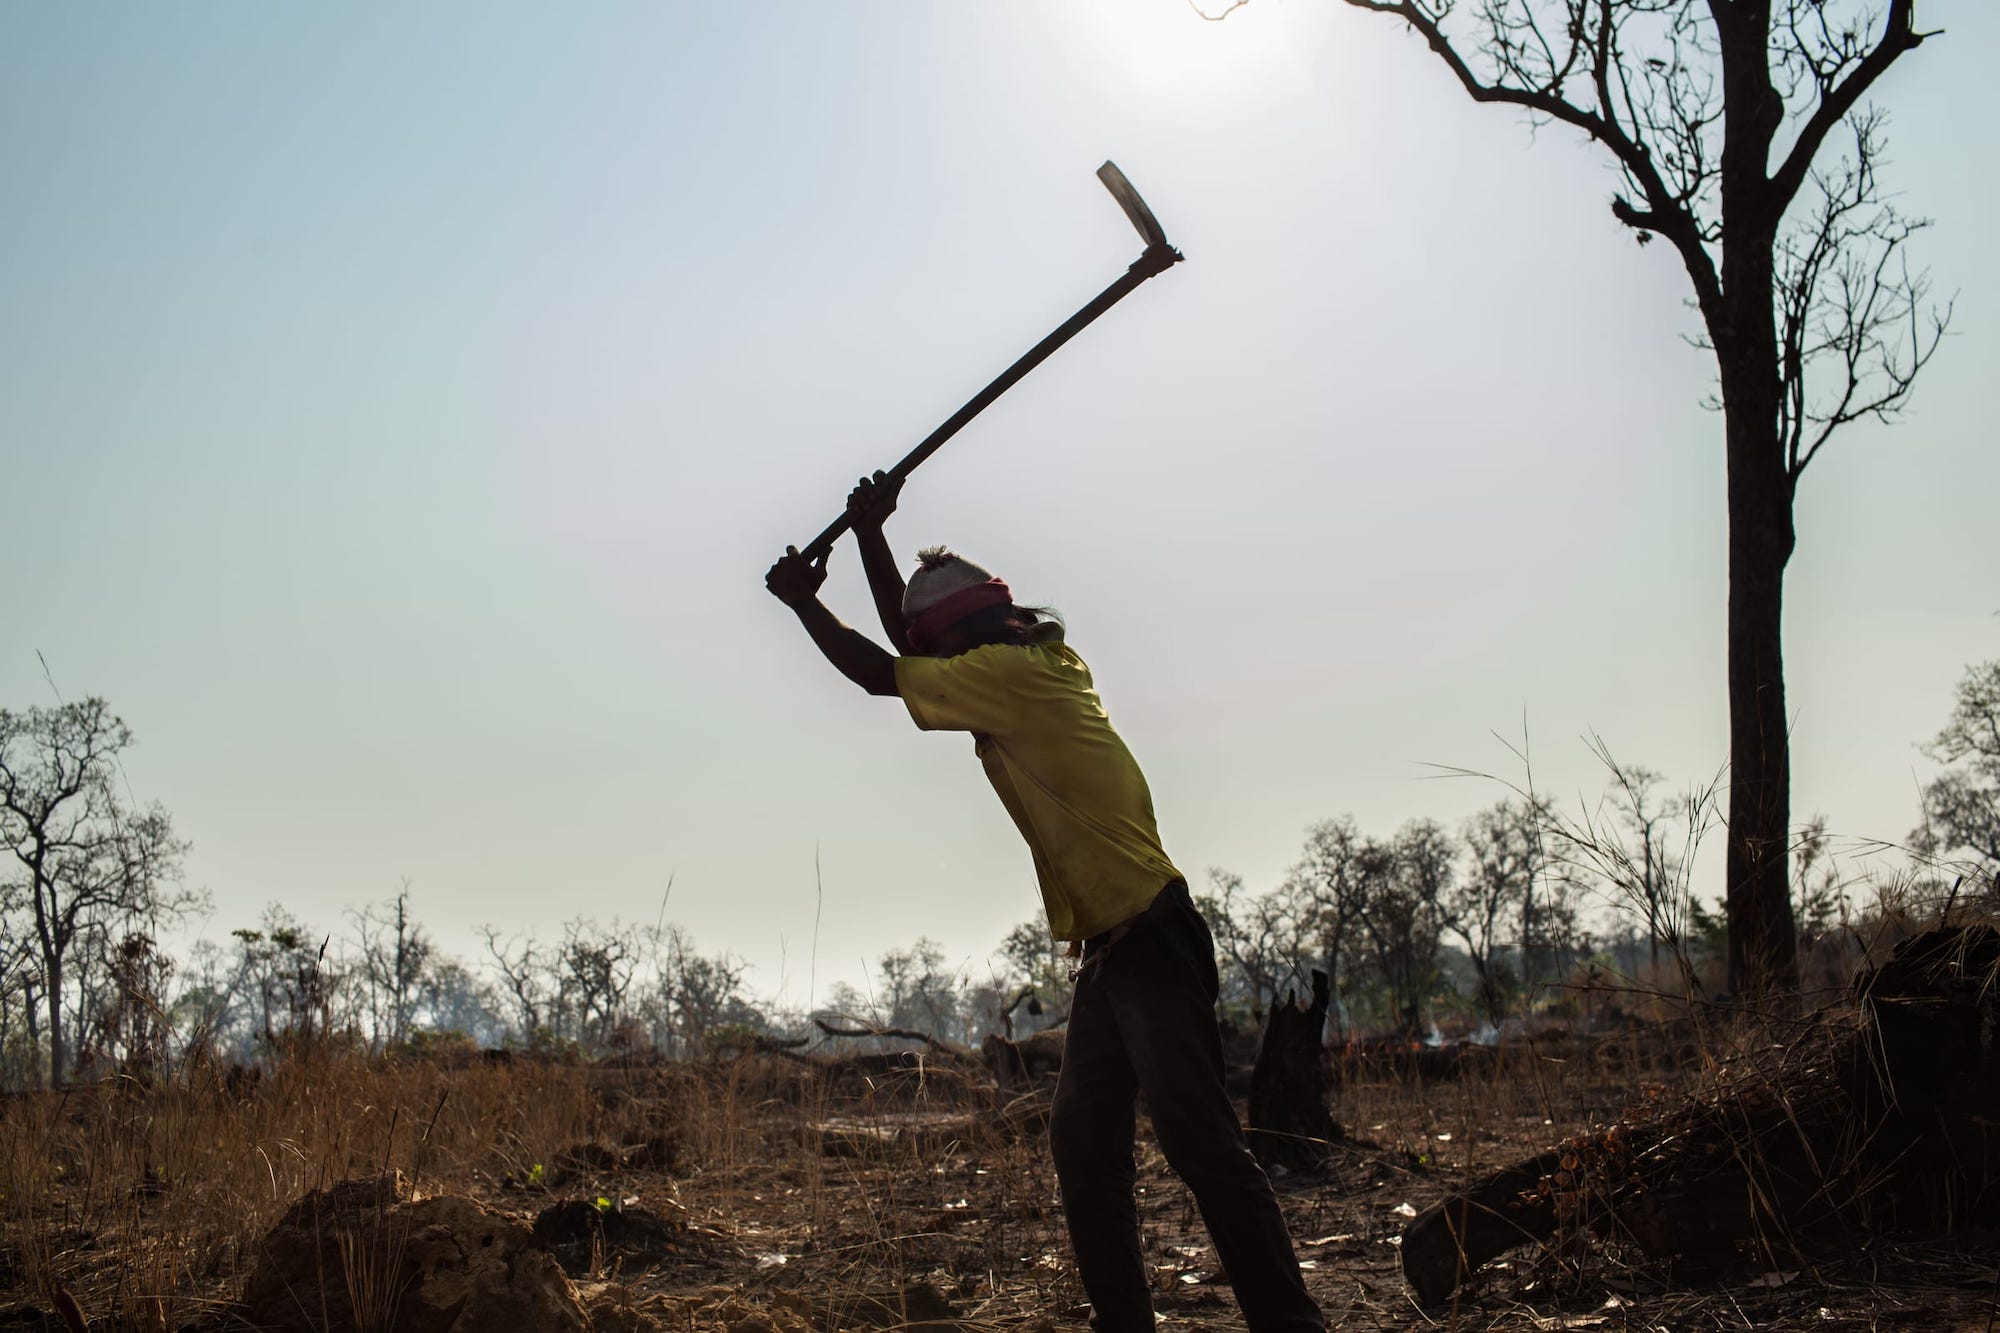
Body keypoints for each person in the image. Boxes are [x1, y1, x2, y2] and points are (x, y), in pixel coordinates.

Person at [765, 472, 1324, 1333]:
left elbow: (887, 671)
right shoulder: (1037, 661)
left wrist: (806, 603)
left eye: (942, 648)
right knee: (1084, 1142)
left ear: (970, 641)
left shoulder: (1007, 676)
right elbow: (915, 647)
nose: (939, 666)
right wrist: (873, 535)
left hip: (1150, 936)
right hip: (1115, 948)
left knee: (1203, 1146)